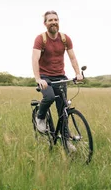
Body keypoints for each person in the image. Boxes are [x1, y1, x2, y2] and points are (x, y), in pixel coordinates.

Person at [32, 10, 83, 140]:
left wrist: (78, 73)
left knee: (63, 110)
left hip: (60, 77)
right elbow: (35, 59)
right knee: (49, 97)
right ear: (45, 23)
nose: (54, 22)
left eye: (56, 20)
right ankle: (40, 117)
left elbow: (72, 58)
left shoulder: (65, 39)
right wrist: (38, 78)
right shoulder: (41, 39)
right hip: (45, 77)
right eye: (50, 20)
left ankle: (66, 141)